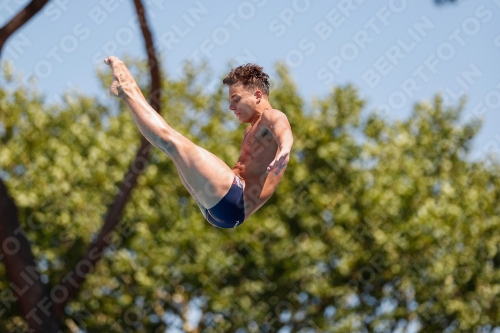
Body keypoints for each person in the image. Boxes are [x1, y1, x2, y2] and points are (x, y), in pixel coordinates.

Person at [104, 56, 293, 228]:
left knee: (171, 141)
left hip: (235, 199)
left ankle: (126, 88)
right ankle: (125, 90)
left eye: (236, 99)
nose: (231, 107)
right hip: (223, 211)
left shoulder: (270, 116)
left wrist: (285, 147)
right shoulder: (251, 129)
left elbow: (282, 126)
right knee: (170, 148)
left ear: (258, 96)